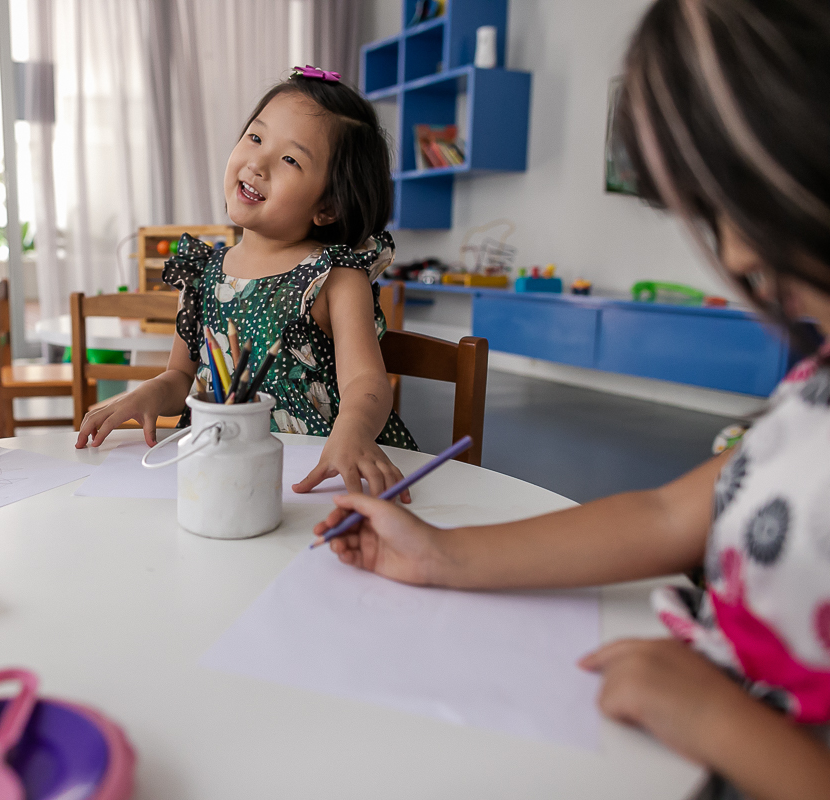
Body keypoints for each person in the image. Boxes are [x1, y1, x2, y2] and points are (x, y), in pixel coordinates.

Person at [315, 1, 830, 797]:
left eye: (742, 198)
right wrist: (440, 553)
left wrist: (721, 726)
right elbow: (666, 515)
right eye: (707, 210)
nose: (732, 251)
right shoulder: (812, 391)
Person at [77, 67, 417, 500]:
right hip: (222, 470)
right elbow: (181, 377)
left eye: (291, 159)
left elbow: (366, 382)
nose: (257, 163)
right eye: (255, 138)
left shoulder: (334, 275)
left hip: (317, 476)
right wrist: (146, 393)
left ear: (328, 206)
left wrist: (352, 433)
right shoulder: (203, 272)